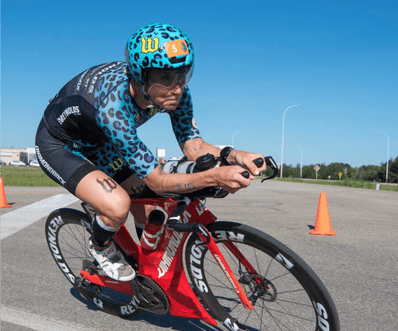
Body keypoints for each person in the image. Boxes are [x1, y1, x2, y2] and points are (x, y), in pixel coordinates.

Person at [35, 22, 266, 281]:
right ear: (140, 75)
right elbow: (157, 181)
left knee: (145, 208)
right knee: (117, 205)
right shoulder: (113, 107)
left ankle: (144, 268)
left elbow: (195, 147)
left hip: (101, 141)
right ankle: (100, 247)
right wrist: (215, 177)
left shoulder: (175, 94)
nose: (177, 87)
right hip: (60, 144)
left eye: (182, 75)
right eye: (166, 77)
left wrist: (234, 155)